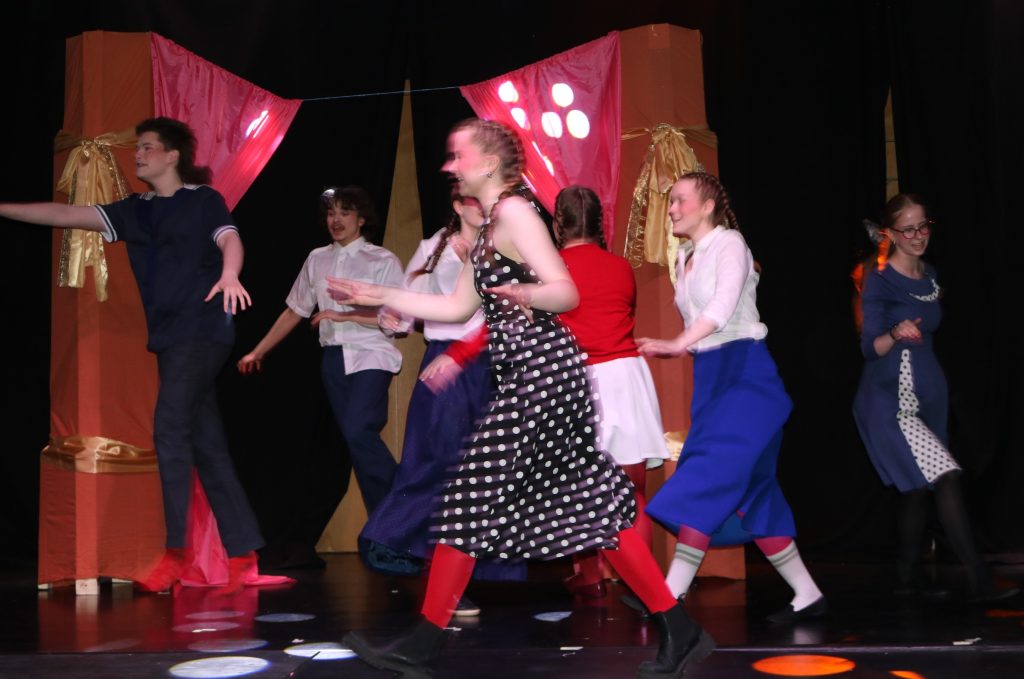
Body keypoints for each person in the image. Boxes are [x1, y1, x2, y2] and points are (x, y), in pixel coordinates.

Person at [330, 119, 713, 678]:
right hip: (528, 374)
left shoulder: (514, 212)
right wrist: (379, 292)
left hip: (543, 374)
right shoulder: (491, 225)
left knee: (468, 498)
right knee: (592, 506)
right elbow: (457, 308)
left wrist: (527, 291)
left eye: (458, 155)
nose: (450, 165)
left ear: (488, 164)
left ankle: (422, 643)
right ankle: (680, 629)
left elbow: (566, 291)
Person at [1, 116, 264, 593]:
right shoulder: (135, 210)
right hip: (170, 338)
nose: (138, 155)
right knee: (206, 442)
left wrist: (230, 274)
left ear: (172, 155)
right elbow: (65, 215)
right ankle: (243, 554)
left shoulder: (202, 200)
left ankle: (176, 553)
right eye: (137, 148)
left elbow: (230, 238)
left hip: (204, 329)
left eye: (146, 147)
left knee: (168, 428)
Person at [638, 171, 825, 623]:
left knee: (705, 473)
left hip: (746, 376)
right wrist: (686, 346)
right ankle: (808, 594)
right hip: (712, 378)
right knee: (755, 493)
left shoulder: (730, 244)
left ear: (707, 206)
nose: (672, 209)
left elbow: (720, 311)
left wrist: (676, 343)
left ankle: (668, 597)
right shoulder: (685, 257)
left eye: (681, 200)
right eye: (671, 201)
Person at [359, 186, 528, 598]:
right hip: (443, 365)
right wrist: (392, 316)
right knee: (441, 463)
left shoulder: (503, 244)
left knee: (486, 471)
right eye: (473, 201)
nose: (483, 206)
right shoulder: (432, 248)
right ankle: (430, 564)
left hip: (488, 364)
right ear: (457, 206)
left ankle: (478, 572)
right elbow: (405, 304)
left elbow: (512, 310)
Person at [853, 193, 1018, 602]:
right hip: (891, 402)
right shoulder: (879, 280)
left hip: (927, 397)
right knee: (945, 476)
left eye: (923, 226)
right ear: (891, 234)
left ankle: (906, 581)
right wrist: (895, 332)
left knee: (917, 488)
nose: (918, 235)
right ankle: (980, 581)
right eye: (908, 229)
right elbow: (869, 348)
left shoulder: (931, 276)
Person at [237, 186, 403, 552]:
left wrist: (345, 315)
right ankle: (389, 532)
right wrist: (257, 351)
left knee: (359, 430)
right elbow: (294, 310)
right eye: (331, 213)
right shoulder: (317, 258)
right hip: (333, 360)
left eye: (345, 212)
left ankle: (401, 514)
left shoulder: (382, 260)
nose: (336, 219)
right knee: (356, 443)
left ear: (362, 219)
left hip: (371, 355)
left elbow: (398, 319)